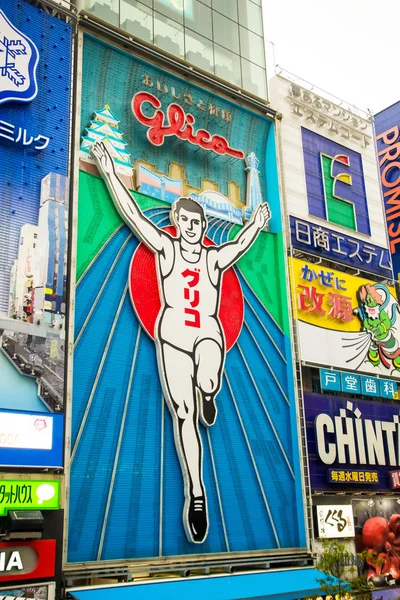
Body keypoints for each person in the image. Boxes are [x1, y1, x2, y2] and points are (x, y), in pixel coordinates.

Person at [92, 141, 271, 543]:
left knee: (207, 378)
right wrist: (108, 171)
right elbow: (135, 216)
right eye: (186, 221)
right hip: (172, 335)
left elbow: (238, 245)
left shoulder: (211, 259)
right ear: (177, 222)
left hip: (207, 332)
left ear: (204, 227)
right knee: (184, 416)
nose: (192, 227)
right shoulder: (166, 249)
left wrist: (257, 224)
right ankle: (196, 491)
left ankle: (210, 390)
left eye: (198, 223)